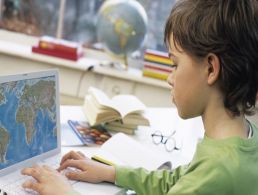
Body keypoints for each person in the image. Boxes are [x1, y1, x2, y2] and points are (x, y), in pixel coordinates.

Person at [21, 0, 258, 194]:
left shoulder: (218, 171)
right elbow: (178, 180)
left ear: (210, 69)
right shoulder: (244, 139)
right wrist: (112, 173)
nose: (170, 78)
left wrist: (64, 192)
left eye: (175, 64)